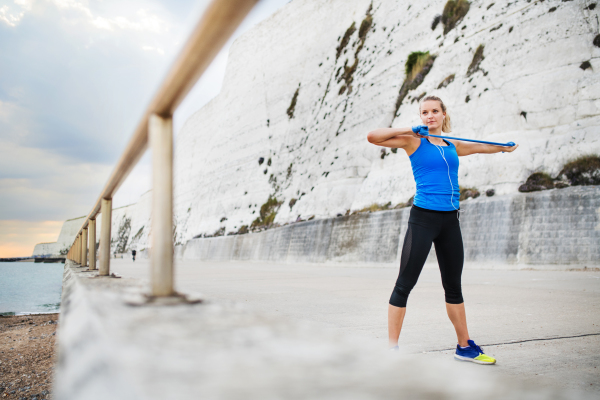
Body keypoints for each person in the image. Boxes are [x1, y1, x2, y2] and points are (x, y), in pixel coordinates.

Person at [366, 95, 518, 364]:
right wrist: (408, 129)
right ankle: (390, 350)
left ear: (444, 114)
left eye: (435, 111)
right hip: (423, 219)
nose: (430, 116)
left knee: (454, 288)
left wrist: (504, 149)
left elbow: (478, 148)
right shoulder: (413, 141)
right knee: (404, 285)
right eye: (425, 112)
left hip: (450, 221)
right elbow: (373, 136)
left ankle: (464, 347)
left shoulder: (451, 144)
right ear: (421, 116)